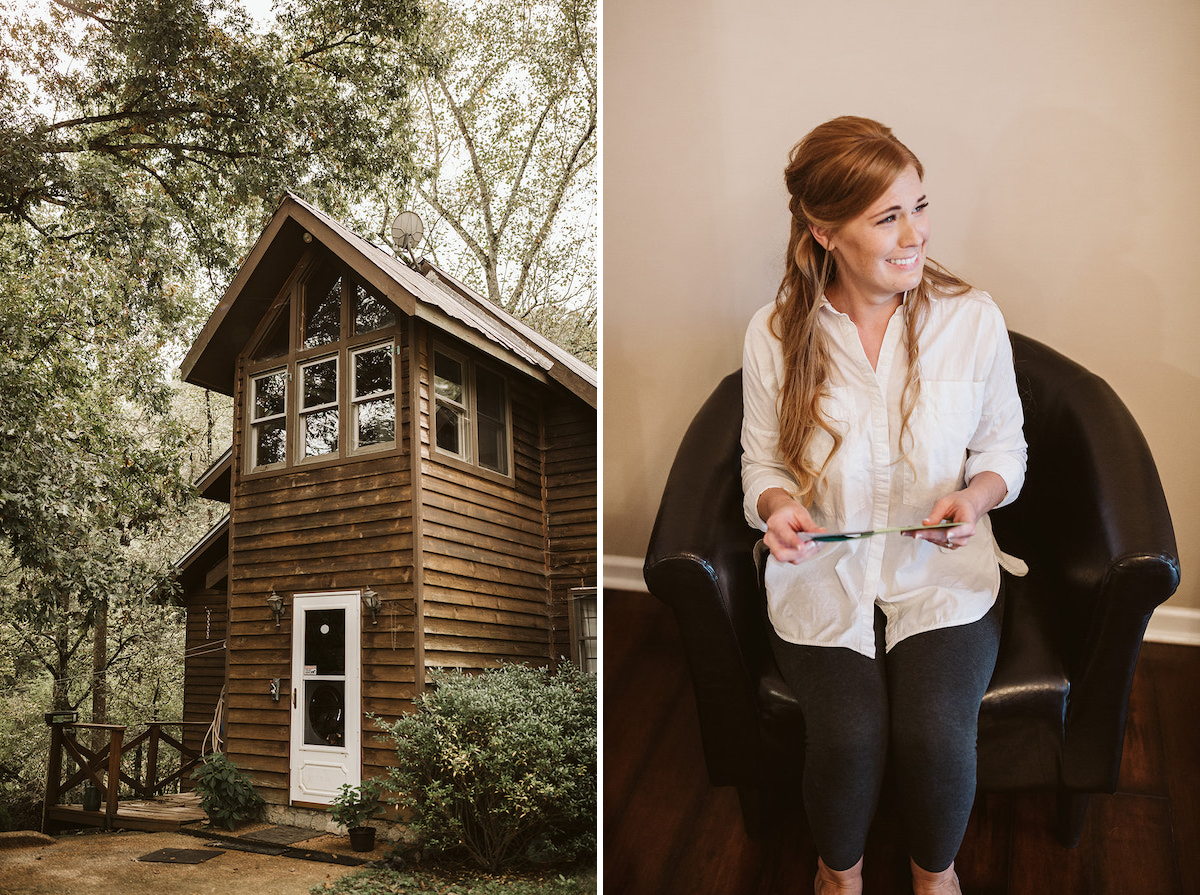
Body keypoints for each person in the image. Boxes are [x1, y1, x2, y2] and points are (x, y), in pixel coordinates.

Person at [740, 116, 1028, 895]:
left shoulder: (972, 320)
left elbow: (1007, 451)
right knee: (850, 734)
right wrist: (773, 505)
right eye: (888, 216)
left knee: (936, 733)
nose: (916, 235)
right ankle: (840, 877)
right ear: (825, 231)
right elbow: (762, 462)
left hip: (941, 577)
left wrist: (975, 496)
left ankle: (935, 879)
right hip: (821, 573)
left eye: (920, 206)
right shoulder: (774, 334)